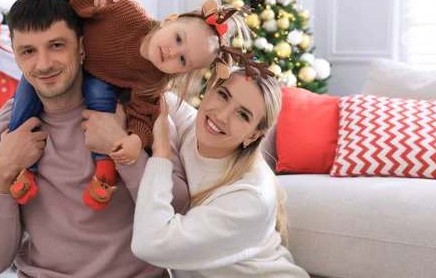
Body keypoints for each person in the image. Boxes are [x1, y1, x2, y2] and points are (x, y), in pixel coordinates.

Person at [0, 0, 190, 277]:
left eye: (56, 45)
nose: (44, 64)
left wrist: (123, 152)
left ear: (82, 48)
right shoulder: (6, 130)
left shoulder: (138, 112)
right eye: (28, 51)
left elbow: (181, 214)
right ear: (15, 55)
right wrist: (2, 172)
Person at [8, 0, 254, 211]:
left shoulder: (152, 78)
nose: (171, 51)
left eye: (182, 59)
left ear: (183, 71)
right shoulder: (124, 11)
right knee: (25, 98)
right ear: (169, 20)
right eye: (178, 38)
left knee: (101, 100)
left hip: (99, 78)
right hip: (73, 63)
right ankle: (24, 169)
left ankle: (104, 172)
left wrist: (136, 140)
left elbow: (144, 112)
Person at [130, 67, 310, 277]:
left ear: (253, 136)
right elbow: (149, 90)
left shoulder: (251, 198)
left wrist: (161, 152)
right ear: (211, 90)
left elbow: (149, 244)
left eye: (242, 114)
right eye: (223, 95)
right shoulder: (193, 126)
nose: (222, 116)